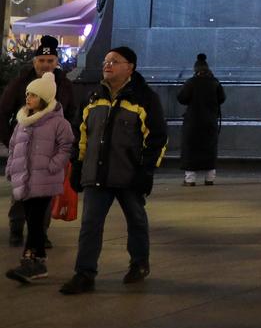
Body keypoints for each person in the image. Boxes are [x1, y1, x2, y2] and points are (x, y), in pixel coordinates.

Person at [60, 45, 167, 294]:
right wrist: (77, 165)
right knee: (90, 225)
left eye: (114, 61)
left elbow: (157, 137)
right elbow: (81, 133)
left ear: (130, 67)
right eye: (106, 61)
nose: (107, 65)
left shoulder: (144, 98)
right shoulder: (94, 96)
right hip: (96, 173)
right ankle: (84, 273)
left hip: (129, 174)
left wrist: (146, 171)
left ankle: (139, 263)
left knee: (136, 221)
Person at [3, 36, 76, 250]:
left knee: (45, 193)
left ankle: (40, 234)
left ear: (56, 62)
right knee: (21, 192)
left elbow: (70, 114)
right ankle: (16, 229)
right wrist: (11, 141)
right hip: (24, 148)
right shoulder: (20, 83)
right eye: (41, 60)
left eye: (50, 60)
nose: (45, 65)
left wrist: (60, 148)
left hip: (48, 151)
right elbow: (4, 111)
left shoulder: (64, 84)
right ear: (34, 62)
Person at [4, 75, 74, 284]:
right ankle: (38, 260)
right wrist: (11, 168)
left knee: (35, 222)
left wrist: (51, 166)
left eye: (33, 95)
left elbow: (66, 147)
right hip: (24, 179)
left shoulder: (58, 123)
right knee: (32, 220)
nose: (28, 98)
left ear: (44, 98)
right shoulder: (22, 121)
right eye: (28, 94)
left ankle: (30, 260)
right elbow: (14, 147)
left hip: (43, 179)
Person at [177, 54, 225, 187]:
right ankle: (210, 178)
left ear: (195, 69)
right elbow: (222, 98)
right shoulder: (215, 82)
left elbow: (181, 98)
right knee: (209, 149)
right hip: (210, 122)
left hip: (193, 122)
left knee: (190, 149)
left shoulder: (191, 82)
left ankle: (190, 179)